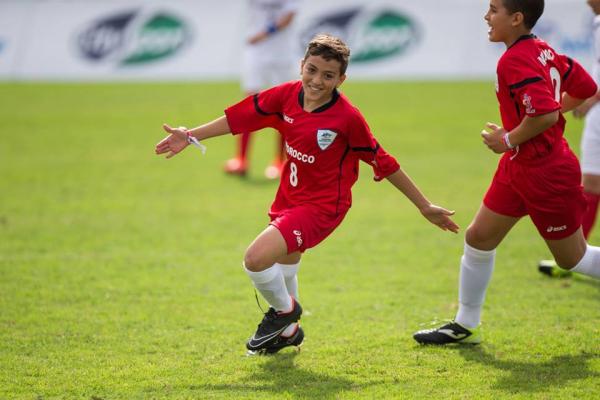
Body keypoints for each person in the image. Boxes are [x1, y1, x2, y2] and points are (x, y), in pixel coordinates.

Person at [156, 34, 459, 354]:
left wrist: (423, 205)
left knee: (255, 259)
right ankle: (288, 333)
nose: (317, 80)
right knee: (286, 264)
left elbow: (383, 161)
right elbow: (241, 117)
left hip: (324, 206)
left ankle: (285, 312)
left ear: (342, 79)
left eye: (328, 75)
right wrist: (190, 136)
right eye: (311, 70)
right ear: (301, 66)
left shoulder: (347, 118)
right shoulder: (286, 95)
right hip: (289, 195)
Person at [413, 0, 599, 345]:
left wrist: (509, 137)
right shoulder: (544, 50)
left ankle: (465, 321)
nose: (487, 16)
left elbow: (544, 114)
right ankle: (465, 323)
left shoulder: (515, 59)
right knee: (479, 237)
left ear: (516, 19)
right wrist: (522, 133)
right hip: (519, 165)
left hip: (547, 172)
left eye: (494, 9)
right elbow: (584, 88)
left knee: (573, 258)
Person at [538, 0, 600, 278]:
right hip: (596, 114)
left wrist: (590, 99)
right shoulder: (598, 22)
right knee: (591, 182)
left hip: (596, 108)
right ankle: (578, 257)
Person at [224, 0, 300, 179]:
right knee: (249, 104)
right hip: (256, 52)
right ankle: (241, 159)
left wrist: (263, 34)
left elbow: (288, 17)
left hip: (282, 54)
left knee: (284, 108)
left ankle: (279, 162)